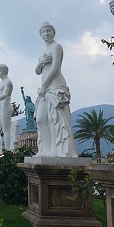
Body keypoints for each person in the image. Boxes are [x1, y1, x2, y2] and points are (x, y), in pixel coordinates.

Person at [34, 22, 78, 158]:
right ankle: (45, 149)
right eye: (43, 32)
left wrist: (44, 85)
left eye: (48, 31)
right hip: (44, 89)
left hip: (55, 85)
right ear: (40, 35)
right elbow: (37, 71)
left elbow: (55, 68)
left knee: (54, 119)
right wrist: (41, 62)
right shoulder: (43, 52)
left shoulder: (57, 46)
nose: (46, 33)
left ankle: (56, 149)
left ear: (54, 32)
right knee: (41, 119)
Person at [0, 64, 14, 155]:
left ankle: (8, 151)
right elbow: (1, 101)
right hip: (1, 106)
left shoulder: (8, 82)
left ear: (4, 71)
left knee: (6, 129)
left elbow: (5, 94)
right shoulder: (2, 83)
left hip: (6, 105)